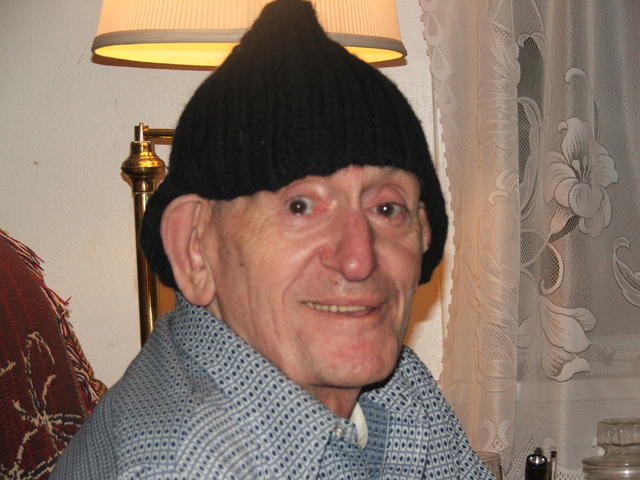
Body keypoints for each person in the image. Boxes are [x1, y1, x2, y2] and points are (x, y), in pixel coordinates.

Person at [52, 0, 494, 478]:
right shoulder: (191, 463)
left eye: (387, 209)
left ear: (425, 233)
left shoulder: (397, 387)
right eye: (300, 206)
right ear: (195, 247)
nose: (358, 259)